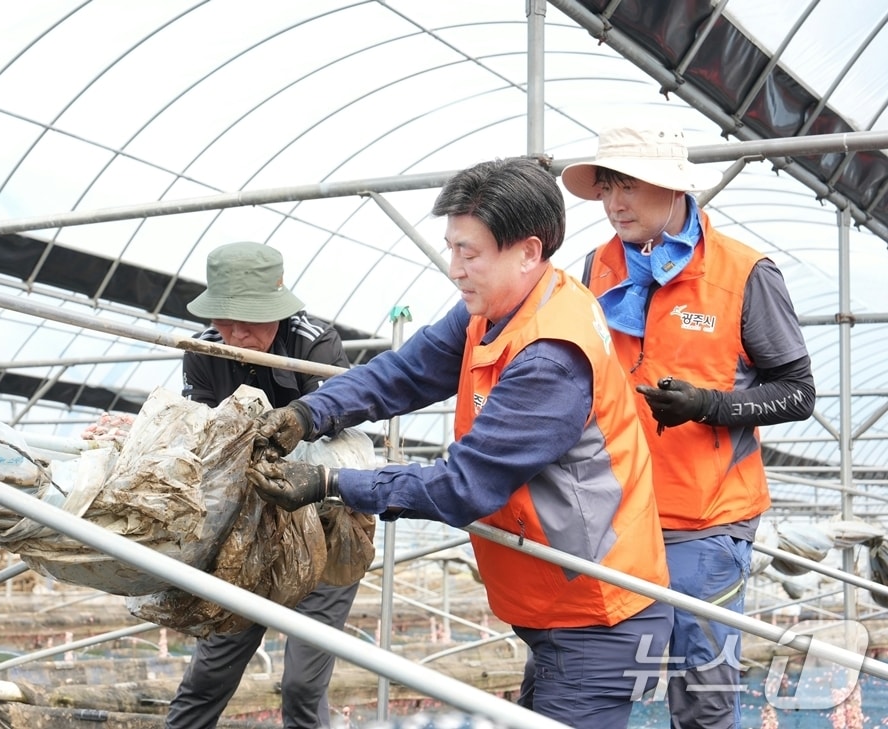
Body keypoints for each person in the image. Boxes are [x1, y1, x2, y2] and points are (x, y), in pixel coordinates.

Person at [246, 157, 673, 729]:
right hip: (556, 600)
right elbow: (405, 372)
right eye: (451, 248)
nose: (454, 268)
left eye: (468, 253)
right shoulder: (501, 306)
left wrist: (330, 483)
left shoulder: (550, 355)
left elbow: (464, 484)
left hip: (596, 610)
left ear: (527, 251)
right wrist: (308, 412)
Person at [560, 126, 816, 729]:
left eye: (630, 186)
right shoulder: (597, 267)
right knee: (583, 684)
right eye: (607, 187)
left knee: (701, 695)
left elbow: (799, 392)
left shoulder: (744, 273)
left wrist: (709, 405)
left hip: (705, 523)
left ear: (673, 188)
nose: (615, 203)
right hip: (610, 515)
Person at [167, 241, 361, 729]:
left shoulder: (313, 344)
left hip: (324, 523)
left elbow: (334, 425)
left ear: (278, 307)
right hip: (248, 530)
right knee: (209, 672)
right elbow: (202, 435)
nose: (235, 333)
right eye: (226, 320)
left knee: (301, 686)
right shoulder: (205, 348)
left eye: (250, 320)